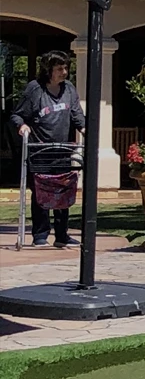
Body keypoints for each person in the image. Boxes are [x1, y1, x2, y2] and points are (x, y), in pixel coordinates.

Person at [10, 52, 84, 247]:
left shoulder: (69, 89)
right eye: (59, 69)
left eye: (66, 68)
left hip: (62, 151)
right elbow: (17, 115)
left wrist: (84, 129)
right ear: (48, 70)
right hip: (39, 151)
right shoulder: (35, 89)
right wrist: (22, 126)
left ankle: (62, 235)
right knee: (41, 195)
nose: (64, 72)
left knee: (63, 191)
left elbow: (77, 115)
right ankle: (40, 235)